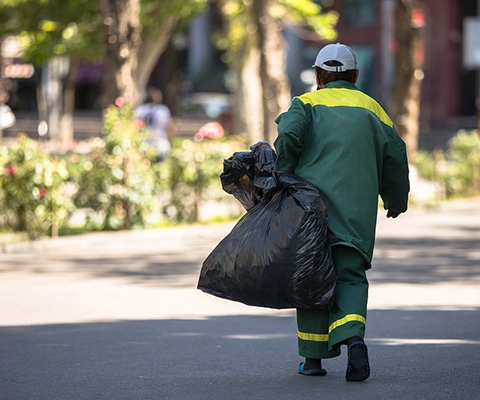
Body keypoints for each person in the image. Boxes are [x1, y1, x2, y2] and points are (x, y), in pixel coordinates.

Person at [274, 43, 410, 381]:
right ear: (355, 75)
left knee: (310, 280)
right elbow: (395, 157)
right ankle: (354, 340)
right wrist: (396, 200)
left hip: (310, 214)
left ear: (318, 75)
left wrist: (283, 173)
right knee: (350, 277)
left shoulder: (306, 104)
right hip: (355, 215)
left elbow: (289, 135)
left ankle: (314, 361)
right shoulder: (373, 109)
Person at [135, 88, 176, 162]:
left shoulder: (140, 110)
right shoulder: (162, 110)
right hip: (160, 146)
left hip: (144, 146)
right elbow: (169, 128)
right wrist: (172, 142)